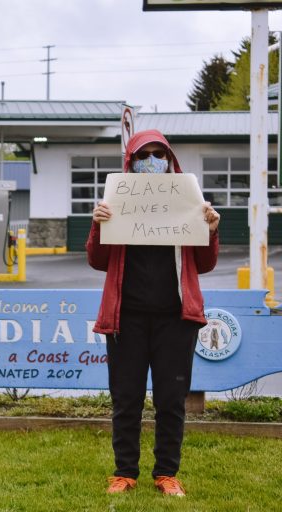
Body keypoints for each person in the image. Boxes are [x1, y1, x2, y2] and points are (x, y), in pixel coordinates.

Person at [86, 129, 221, 497]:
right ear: (131, 162)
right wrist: (98, 225)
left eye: (158, 154)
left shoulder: (190, 203)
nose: (151, 161)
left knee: (171, 400)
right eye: (143, 154)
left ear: (170, 159)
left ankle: (166, 474)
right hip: (125, 318)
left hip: (175, 320)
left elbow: (205, 264)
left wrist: (210, 230)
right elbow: (97, 260)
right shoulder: (115, 203)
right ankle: (124, 473)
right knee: (126, 398)